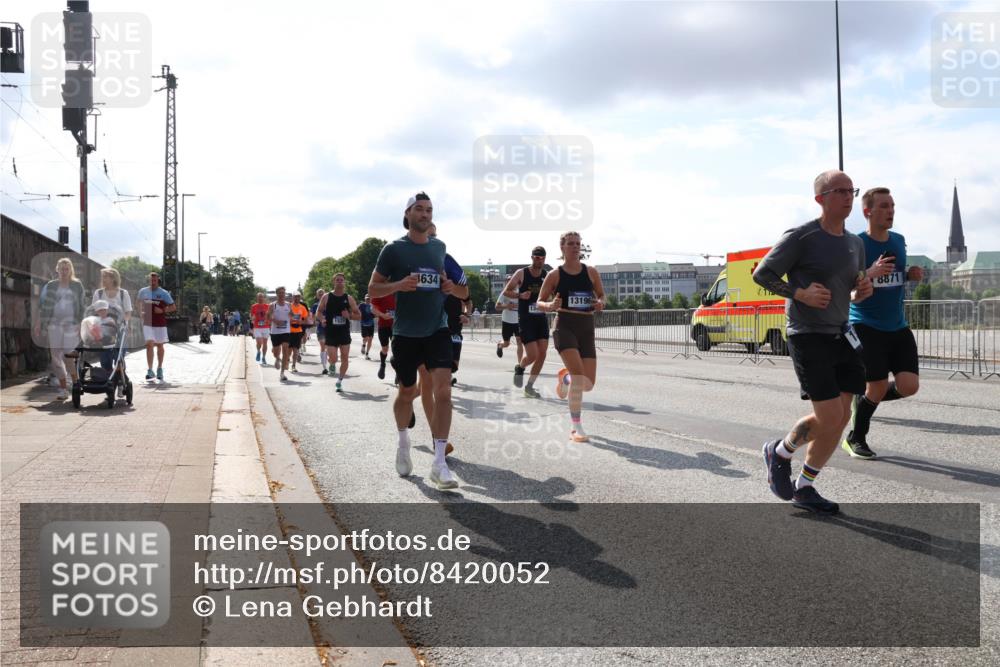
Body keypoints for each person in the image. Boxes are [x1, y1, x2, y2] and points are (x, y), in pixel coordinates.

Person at [753, 169, 873, 515]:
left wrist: (862, 290)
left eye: (851, 191)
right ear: (821, 198)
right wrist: (800, 293)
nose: (848, 197)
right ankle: (779, 452)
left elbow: (853, 289)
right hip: (807, 334)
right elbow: (762, 273)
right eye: (840, 191)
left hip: (842, 333)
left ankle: (805, 486)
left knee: (841, 418)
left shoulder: (855, 243)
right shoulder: (802, 236)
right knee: (830, 414)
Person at [368, 192, 466, 489]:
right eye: (420, 209)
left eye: (429, 210)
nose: (425, 214)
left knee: (443, 392)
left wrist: (449, 287)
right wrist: (400, 284)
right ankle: (403, 442)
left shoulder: (439, 248)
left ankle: (439, 463)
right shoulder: (393, 250)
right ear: (408, 214)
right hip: (406, 332)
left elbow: (460, 290)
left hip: (438, 329)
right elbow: (373, 289)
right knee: (407, 392)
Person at [842, 186, 923, 459]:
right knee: (876, 385)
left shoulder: (899, 240)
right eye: (884, 206)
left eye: (892, 206)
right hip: (865, 324)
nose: (891, 211)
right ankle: (855, 438)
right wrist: (869, 272)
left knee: (909, 386)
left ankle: (864, 398)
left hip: (897, 325)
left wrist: (911, 274)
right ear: (868, 211)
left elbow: (895, 275)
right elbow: (844, 283)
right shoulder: (856, 243)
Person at [537, 232, 606, 441]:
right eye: (571, 244)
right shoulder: (554, 275)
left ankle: (564, 378)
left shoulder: (591, 272)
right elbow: (539, 302)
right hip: (564, 326)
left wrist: (601, 303)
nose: (575, 247)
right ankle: (576, 427)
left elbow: (602, 295)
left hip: (586, 327)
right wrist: (550, 305)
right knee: (578, 375)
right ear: (562, 247)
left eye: (578, 243)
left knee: (588, 383)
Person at [34, 257, 86, 400]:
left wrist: (80, 323)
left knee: (68, 355)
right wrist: (39, 323)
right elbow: (43, 306)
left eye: (66, 268)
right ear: (57, 270)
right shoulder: (50, 285)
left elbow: (82, 306)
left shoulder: (77, 285)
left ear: (70, 270)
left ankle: (75, 384)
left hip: (71, 325)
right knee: (56, 358)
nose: (64, 271)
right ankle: (63, 389)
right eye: (61, 268)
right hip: (54, 324)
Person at [503, 246, 550, 398]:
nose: (539, 260)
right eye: (537, 257)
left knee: (542, 354)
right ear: (532, 257)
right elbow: (506, 291)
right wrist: (520, 295)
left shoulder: (546, 275)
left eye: (542, 258)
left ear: (544, 259)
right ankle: (521, 367)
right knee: (533, 355)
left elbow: (555, 292)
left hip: (541, 318)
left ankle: (529, 387)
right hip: (526, 319)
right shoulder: (521, 273)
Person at [317, 273, 361, 392]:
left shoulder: (349, 298)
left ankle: (339, 381)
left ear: (344, 282)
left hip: (344, 332)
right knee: (333, 358)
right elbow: (319, 311)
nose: (340, 281)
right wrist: (322, 319)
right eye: (337, 280)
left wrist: (349, 315)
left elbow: (359, 315)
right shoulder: (326, 297)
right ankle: (332, 364)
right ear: (334, 282)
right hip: (331, 332)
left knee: (345, 357)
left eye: (342, 280)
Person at [92, 268, 132, 395]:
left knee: (118, 358)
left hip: (119, 330)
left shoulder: (123, 293)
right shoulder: (98, 293)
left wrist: (125, 322)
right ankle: (110, 381)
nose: (103, 279)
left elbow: (128, 312)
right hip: (103, 332)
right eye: (103, 277)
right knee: (105, 360)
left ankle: (120, 382)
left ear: (113, 278)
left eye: (106, 277)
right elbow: (93, 311)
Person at [136, 272, 176, 381]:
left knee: (159, 345)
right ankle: (150, 370)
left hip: (160, 323)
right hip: (147, 323)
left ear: (158, 280)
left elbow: (173, 307)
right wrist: (140, 312)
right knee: (149, 345)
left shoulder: (164, 293)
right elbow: (138, 302)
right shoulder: (143, 291)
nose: (153, 282)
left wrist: (162, 310)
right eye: (151, 280)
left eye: (154, 280)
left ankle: (159, 368)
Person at [268, 287, 293, 382]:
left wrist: (292, 315)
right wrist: (275, 321)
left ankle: (282, 373)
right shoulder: (272, 305)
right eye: (280, 293)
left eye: (283, 293)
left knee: (285, 350)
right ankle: (277, 358)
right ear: (277, 294)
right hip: (275, 331)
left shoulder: (288, 304)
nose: (282, 294)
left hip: (286, 331)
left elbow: (291, 315)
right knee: (275, 352)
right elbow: (268, 316)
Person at [370, 291, 396, 382]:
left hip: (397, 326)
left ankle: (398, 371)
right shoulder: (381, 291)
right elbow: (373, 308)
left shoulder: (400, 291)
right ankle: (382, 364)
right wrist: (382, 315)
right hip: (383, 325)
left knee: (397, 350)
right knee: (385, 348)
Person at [288, 292, 311, 373]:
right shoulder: (288, 306)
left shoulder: (302, 308)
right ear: (292, 297)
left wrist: (301, 322)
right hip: (289, 331)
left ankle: (293, 365)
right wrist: (290, 321)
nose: (297, 298)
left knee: (296, 350)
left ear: (300, 298)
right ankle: (287, 361)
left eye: (298, 297)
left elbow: (307, 320)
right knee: (289, 350)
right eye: (295, 297)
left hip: (298, 331)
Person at [494, 292, 522, 360]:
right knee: (506, 344)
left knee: (519, 341)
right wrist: (507, 306)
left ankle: (520, 364)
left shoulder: (521, 292)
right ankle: (500, 345)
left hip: (518, 320)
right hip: (507, 320)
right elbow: (497, 307)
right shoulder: (505, 292)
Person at [311, 288, 328, 374]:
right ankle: (324, 366)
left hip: (329, 329)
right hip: (320, 328)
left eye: (322, 293)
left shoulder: (329, 304)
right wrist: (316, 321)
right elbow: (313, 316)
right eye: (319, 294)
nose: (321, 295)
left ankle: (328, 361)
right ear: (317, 296)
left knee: (329, 347)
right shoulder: (315, 305)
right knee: (322, 346)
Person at [250, 294, 270, 364]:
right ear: (257, 298)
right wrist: (253, 318)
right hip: (257, 327)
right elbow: (252, 316)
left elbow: (270, 316)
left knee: (265, 343)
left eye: (261, 297)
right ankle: (258, 351)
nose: (260, 298)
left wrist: (268, 320)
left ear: (264, 298)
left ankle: (264, 357)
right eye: (259, 297)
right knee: (259, 342)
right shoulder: (254, 306)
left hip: (266, 327)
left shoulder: (267, 306)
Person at [359, 295, 376, 359]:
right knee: (366, 337)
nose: (368, 300)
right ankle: (363, 345)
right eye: (367, 299)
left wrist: (374, 313)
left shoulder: (373, 306)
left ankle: (367, 354)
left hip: (371, 324)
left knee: (370, 339)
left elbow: (375, 314)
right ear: (364, 299)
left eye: (369, 299)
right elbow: (357, 312)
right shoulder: (361, 305)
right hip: (364, 324)